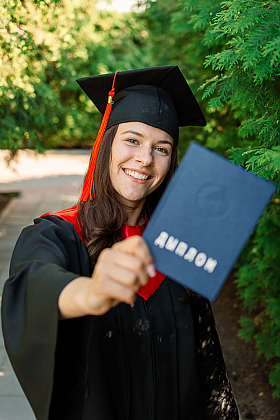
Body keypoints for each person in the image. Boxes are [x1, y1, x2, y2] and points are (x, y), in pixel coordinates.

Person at [1, 66, 239, 420]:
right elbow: (32, 283)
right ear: (107, 143)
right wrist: (92, 292)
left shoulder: (179, 241)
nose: (145, 159)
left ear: (172, 161)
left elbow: (208, 360)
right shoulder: (58, 234)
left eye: (162, 148)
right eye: (132, 139)